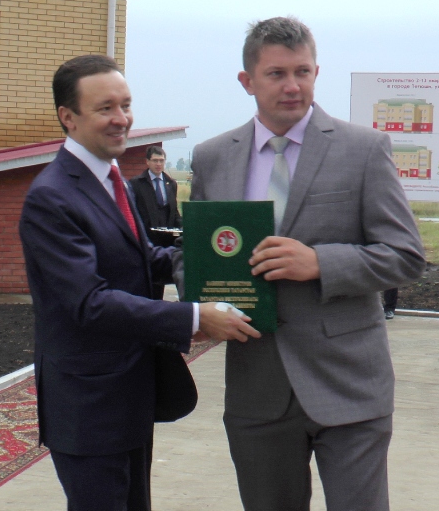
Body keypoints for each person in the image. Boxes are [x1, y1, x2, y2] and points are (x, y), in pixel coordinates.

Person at [189, 16, 425, 511]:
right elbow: (197, 257)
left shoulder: (363, 149)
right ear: (247, 81)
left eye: (302, 72)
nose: (292, 86)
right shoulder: (212, 158)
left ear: (317, 72)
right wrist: (201, 303)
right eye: (276, 74)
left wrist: (320, 262)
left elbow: (405, 255)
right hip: (258, 388)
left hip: (349, 383)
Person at [18, 54, 260, 511]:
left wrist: (216, 263)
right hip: (88, 406)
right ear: (68, 117)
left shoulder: (113, 180)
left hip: (129, 393)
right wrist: (194, 317)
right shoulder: (51, 198)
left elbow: (141, 259)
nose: (122, 118)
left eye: (126, 105)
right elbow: (89, 303)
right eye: (105, 108)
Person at [130, 145, 183, 300]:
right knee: (151, 289)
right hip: (148, 243)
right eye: (155, 160)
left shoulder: (171, 184)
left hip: (168, 242)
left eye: (161, 160)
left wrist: (184, 227)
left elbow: (173, 212)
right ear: (147, 162)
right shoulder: (136, 184)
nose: (158, 164)